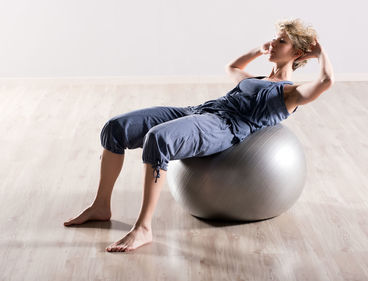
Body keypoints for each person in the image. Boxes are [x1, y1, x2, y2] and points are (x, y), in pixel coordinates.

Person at [63, 18, 334, 252]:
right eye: (274, 39)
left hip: (224, 126)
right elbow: (232, 68)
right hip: (200, 110)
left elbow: (325, 82)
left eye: (281, 42)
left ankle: (143, 227)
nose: (272, 44)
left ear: (297, 53)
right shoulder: (259, 80)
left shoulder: (290, 93)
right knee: (116, 126)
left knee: (159, 138)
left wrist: (320, 54)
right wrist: (259, 49)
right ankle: (100, 206)